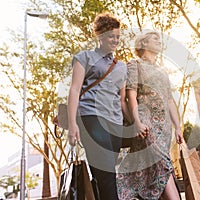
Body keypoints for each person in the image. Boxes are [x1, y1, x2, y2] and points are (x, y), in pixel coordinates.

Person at [67, 12, 130, 200]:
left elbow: (122, 101)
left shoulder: (121, 67)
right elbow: (74, 90)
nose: (115, 40)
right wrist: (72, 125)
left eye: (118, 36)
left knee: (104, 175)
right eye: (111, 36)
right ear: (100, 36)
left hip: (115, 122)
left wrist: (137, 124)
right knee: (106, 174)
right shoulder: (83, 58)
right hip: (91, 117)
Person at [117, 31, 184, 199]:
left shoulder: (163, 70)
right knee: (162, 163)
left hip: (165, 125)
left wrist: (178, 127)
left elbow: (169, 100)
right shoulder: (134, 65)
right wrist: (136, 123)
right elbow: (130, 95)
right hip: (146, 122)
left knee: (154, 168)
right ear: (144, 43)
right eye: (155, 39)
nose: (159, 42)